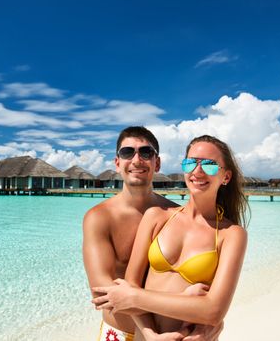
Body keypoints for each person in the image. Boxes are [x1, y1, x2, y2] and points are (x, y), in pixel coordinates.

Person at [91, 135, 248, 341]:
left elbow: (214, 310)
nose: (197, 171)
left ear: (225, 177)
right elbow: (131, 282)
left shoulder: (232, 235)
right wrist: (150, 334)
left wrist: (134, 297)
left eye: (209, 165)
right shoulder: (157, 217)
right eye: (191, 163)